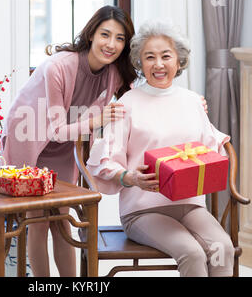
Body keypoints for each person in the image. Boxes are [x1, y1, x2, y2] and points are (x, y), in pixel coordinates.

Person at [2, 6, 207, 277]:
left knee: (62, 222)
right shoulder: (57, 67)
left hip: (65, 144)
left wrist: (192, 103)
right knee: (38, 222)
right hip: (29, 139)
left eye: (120, 38)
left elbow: (146, 95)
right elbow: (53, 130)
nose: (111, 44)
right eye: (105, 35)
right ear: (91, 34)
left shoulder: (114, 73)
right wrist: (96, 120)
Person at [86, 20, 235, 277]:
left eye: (166, 56)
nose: (158, 64)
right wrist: (129, 177)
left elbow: (212, 152)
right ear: (140, 63)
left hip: (191, 205)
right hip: (143, 210)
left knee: (223, 248)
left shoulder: (192, 101)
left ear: (179, 61)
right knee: (192, 252)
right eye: (149, 57)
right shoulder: (127, 104)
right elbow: (104, 160)